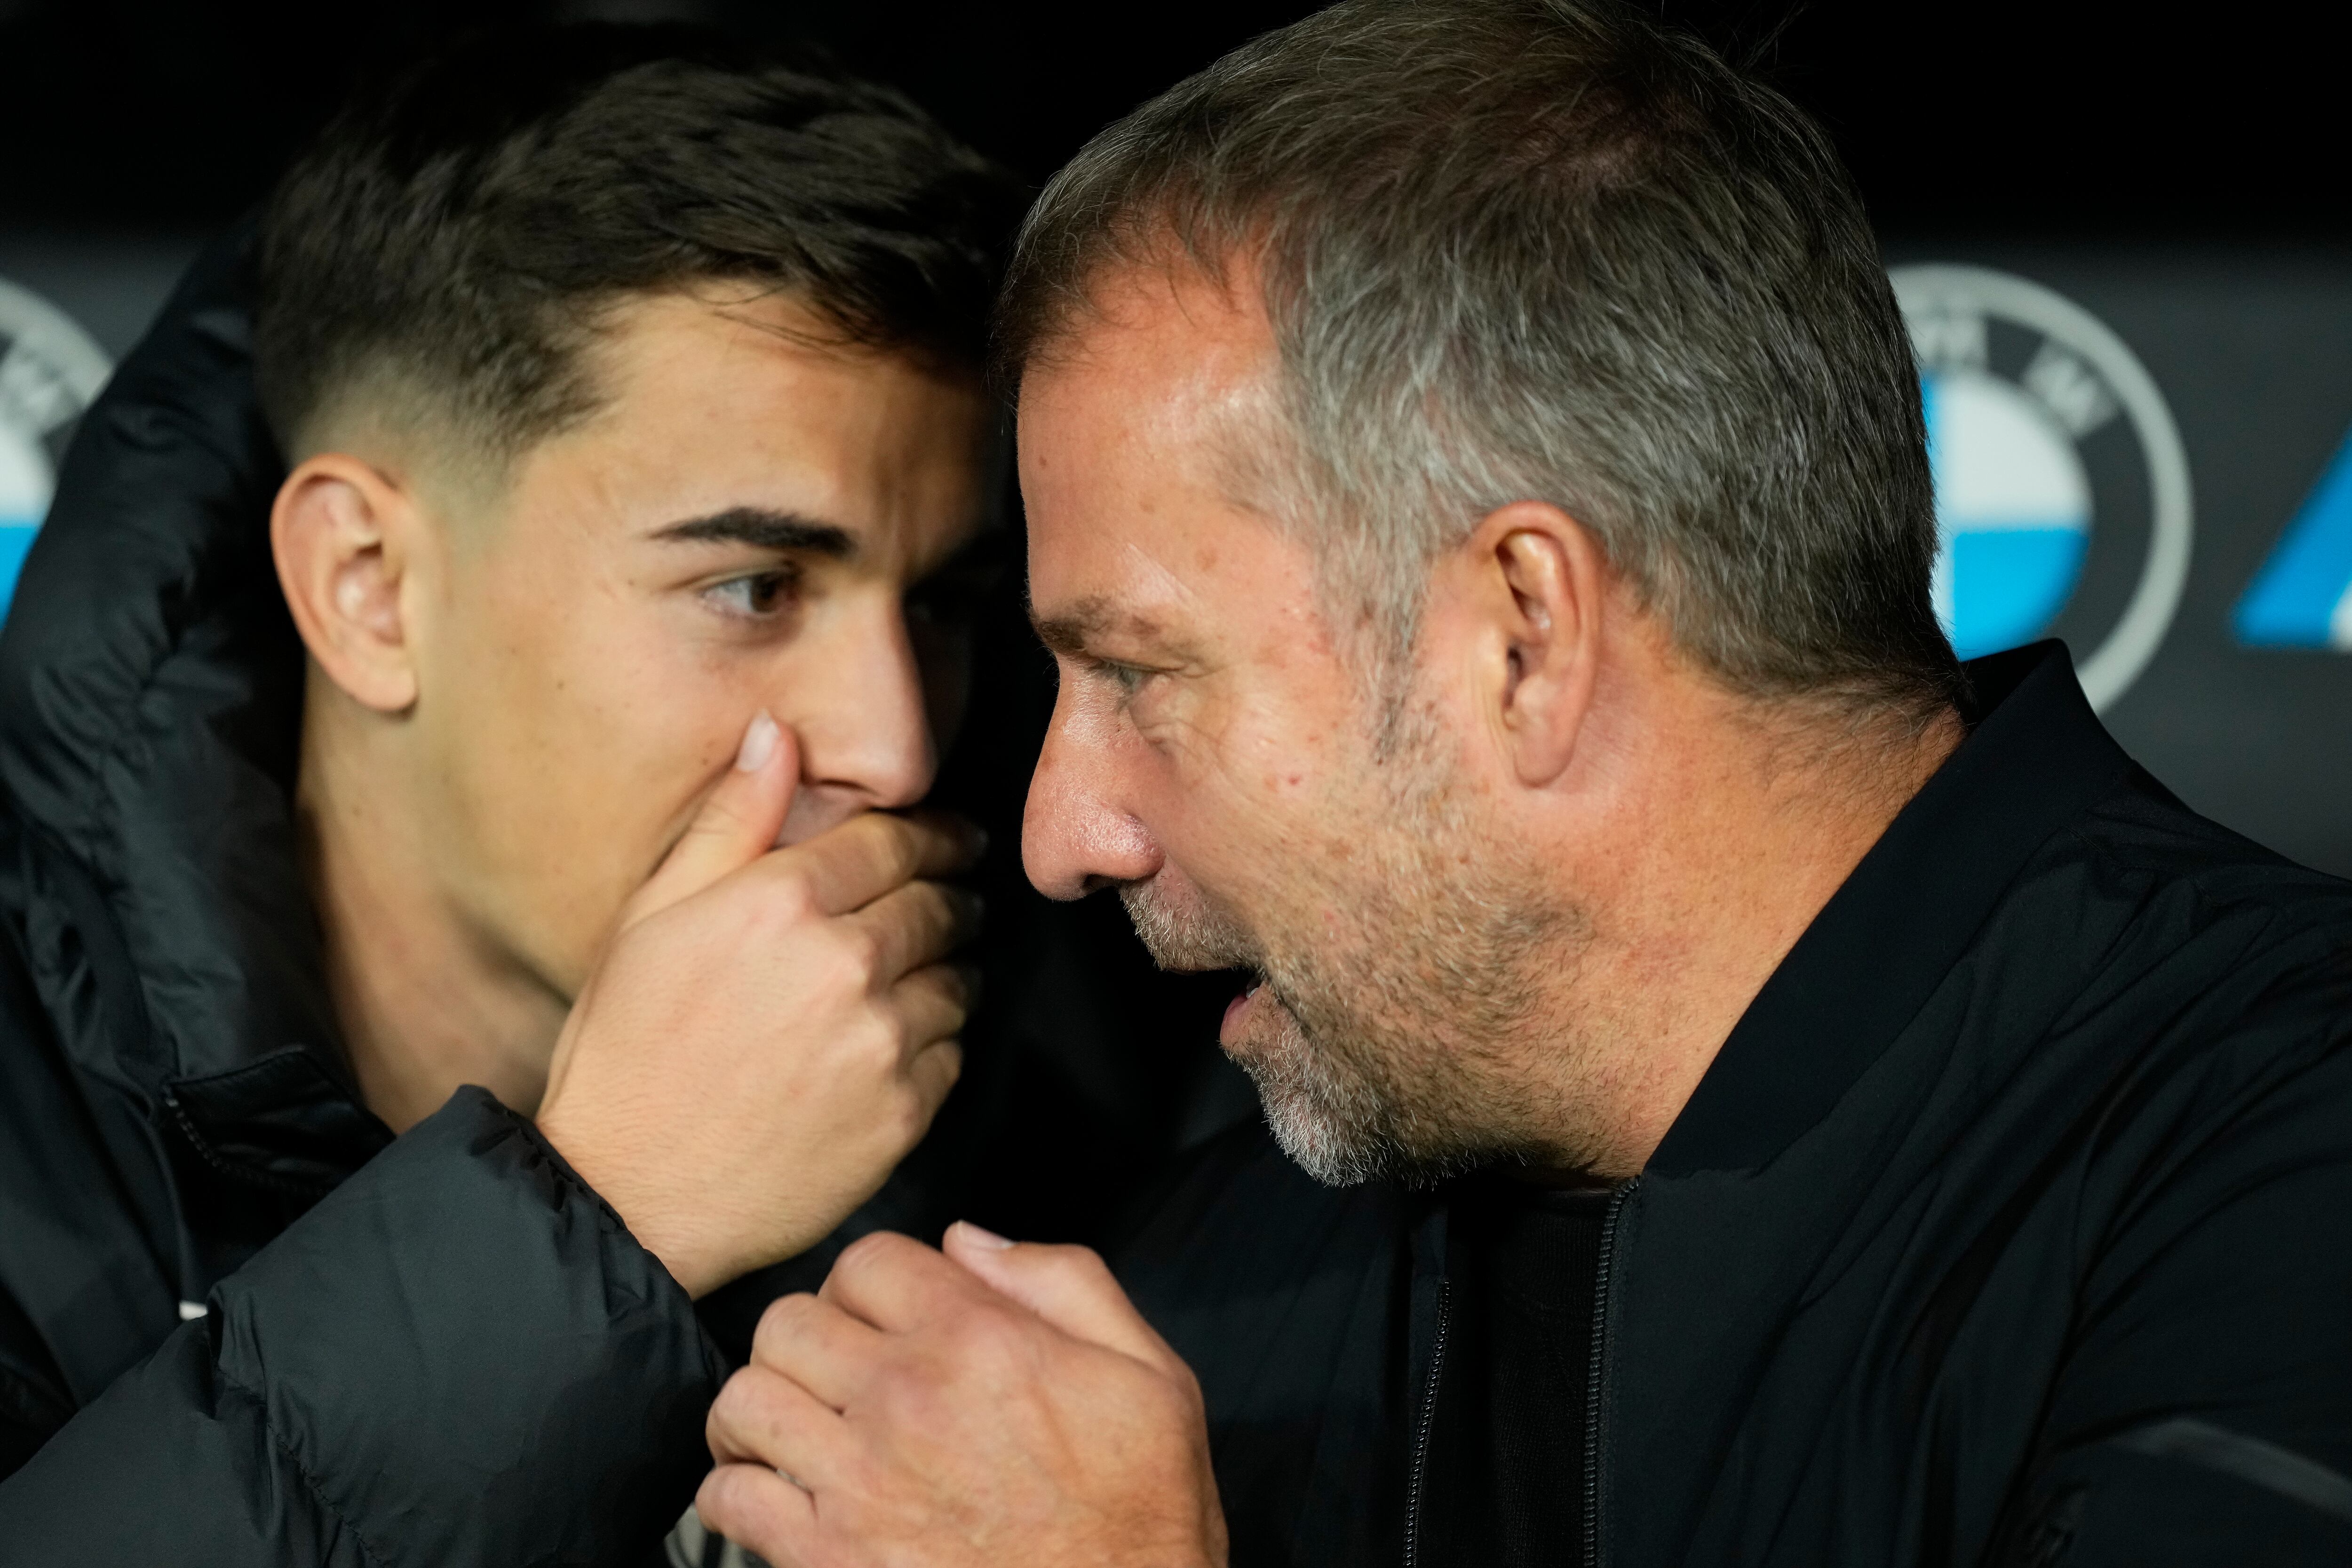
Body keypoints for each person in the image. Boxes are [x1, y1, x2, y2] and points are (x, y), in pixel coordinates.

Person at [692, 2, 2352, 1564]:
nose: (1064, 835)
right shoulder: (1217, 1270)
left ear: (1522, 637)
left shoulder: (2275, 1168)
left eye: (1139, 674)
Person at [0, 27, 1027, 1562]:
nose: (894, 745)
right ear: (369, 589)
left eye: (939, 603)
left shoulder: (1065, 1073)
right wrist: (606, 1220)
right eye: (754, 587)